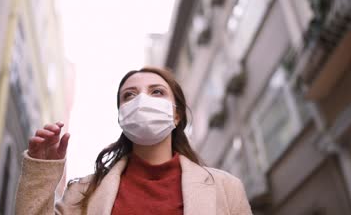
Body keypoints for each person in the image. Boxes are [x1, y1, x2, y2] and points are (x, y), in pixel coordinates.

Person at [15, 67, 252, 215]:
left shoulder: (226, 189)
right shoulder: (82, 194)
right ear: (122, 117)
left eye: (157, 92)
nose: (142, 101)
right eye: (129, 95)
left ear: (176, 114)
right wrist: (41, 171)